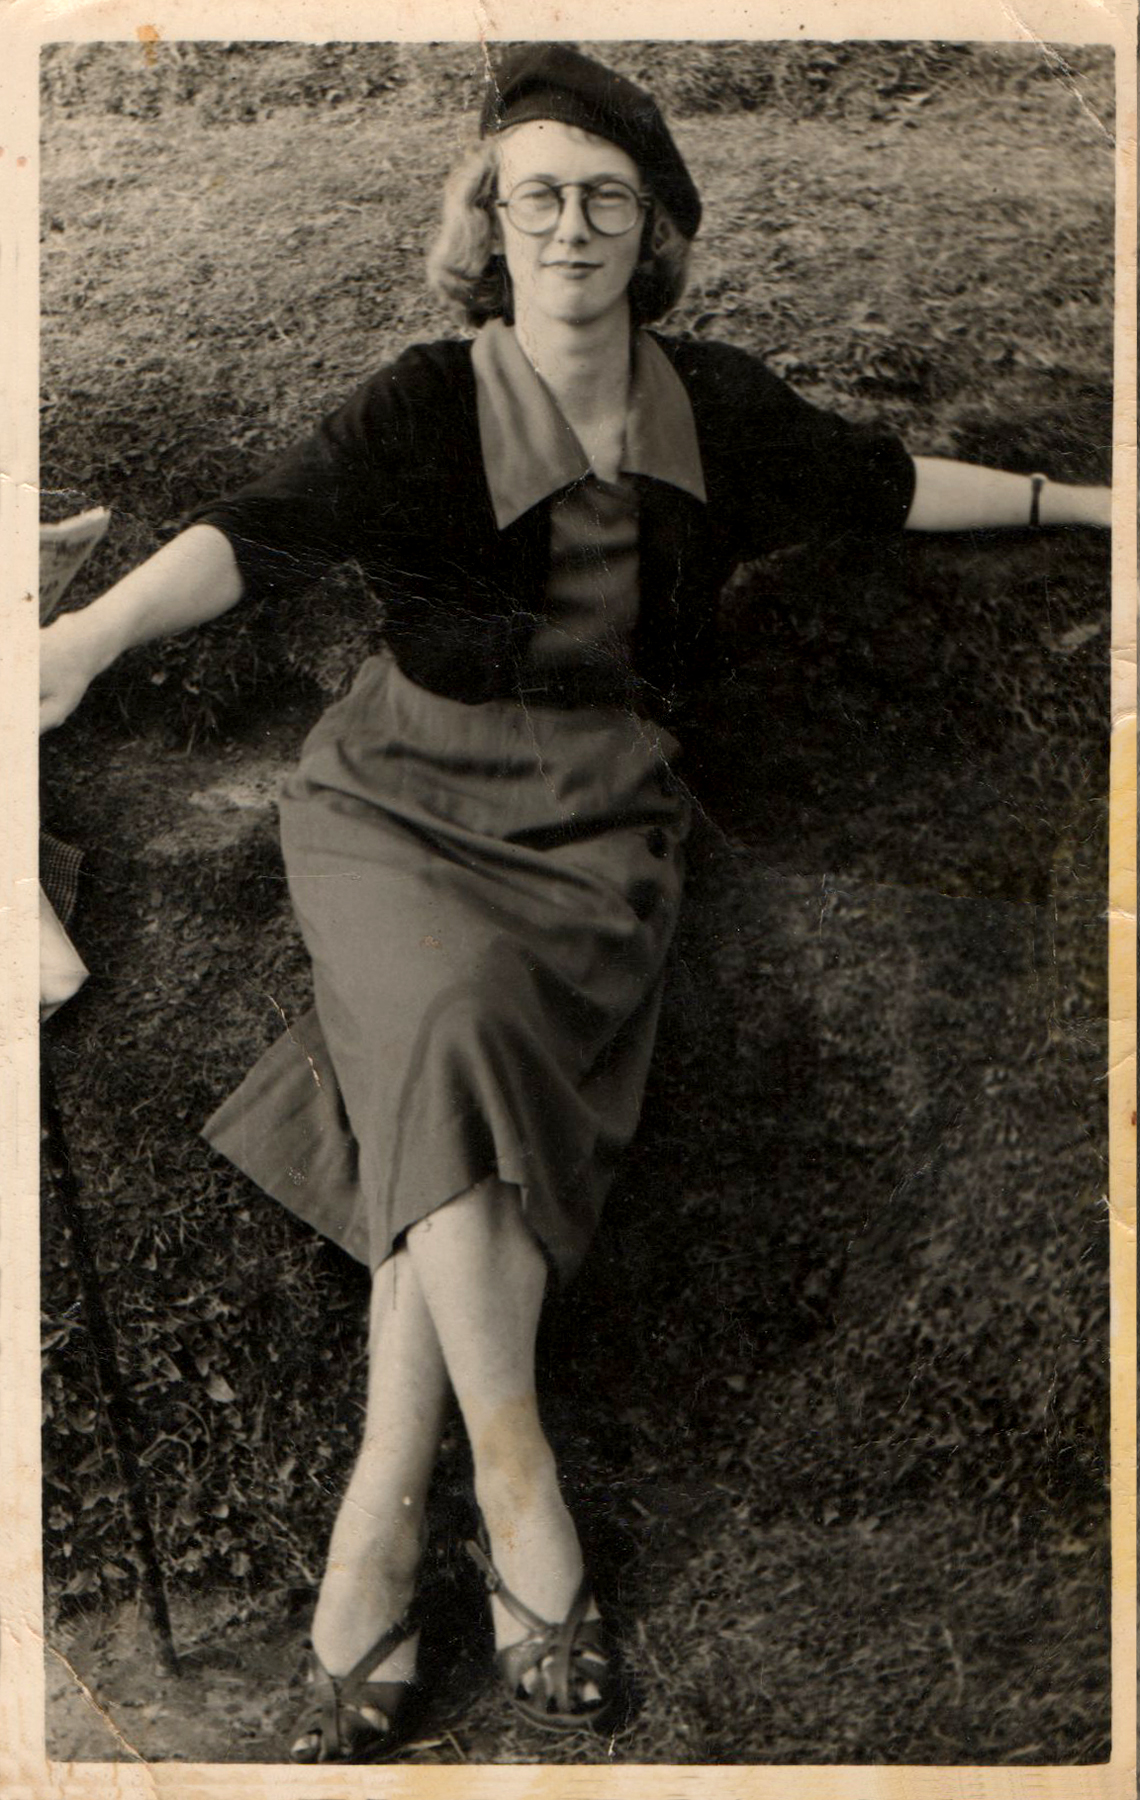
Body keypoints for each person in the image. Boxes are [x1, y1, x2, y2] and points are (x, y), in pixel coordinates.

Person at [39, 44, 1111, 1763]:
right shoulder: (420, 402)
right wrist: (83, 644)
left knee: (446, 1087)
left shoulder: (715, 406)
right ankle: (521, 1497)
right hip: (397, 798)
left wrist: (1087, 500)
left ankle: (381, 1508)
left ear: (654, 229)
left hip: (601, 821)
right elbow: (258, 530)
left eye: (606, 197)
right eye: (534, 194)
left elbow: (886, 484)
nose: (569, 225)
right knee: (455, 1022)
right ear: (489, 219)